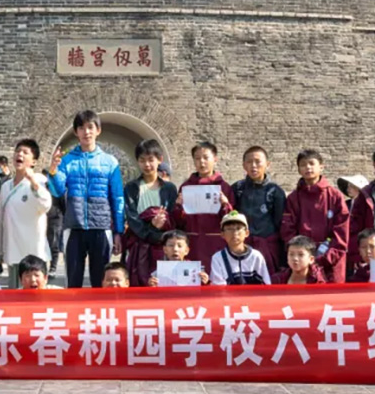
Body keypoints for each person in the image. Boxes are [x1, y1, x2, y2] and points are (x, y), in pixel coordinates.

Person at [46, 110, 125, 288]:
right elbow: (57, 191)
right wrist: (53, 171)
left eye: (90, 127)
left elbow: (118, 198)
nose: (86, 132)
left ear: (98, 130)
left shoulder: (110, 162)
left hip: (101, 227)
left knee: (101, 281)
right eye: (81, 128)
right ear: (76, 132)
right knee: (73, 282)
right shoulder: (67, 161)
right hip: (74, 227)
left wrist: (118, 231)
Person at [280, 149, 349, 283]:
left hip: (331, 259)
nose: (308, 167)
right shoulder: (294, 198)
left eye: (312, 163)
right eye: (303, 165)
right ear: (299, 170)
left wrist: (326, 257)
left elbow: (342, 232)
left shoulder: (335, 196)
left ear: (321, 167)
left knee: (331, 295)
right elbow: (288, 230)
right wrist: (301, 255)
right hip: (302, 262)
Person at [0, 140, 53, 288]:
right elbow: (1, 219)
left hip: (35, 255)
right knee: (15, 297)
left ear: (34, 161)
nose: (19, 154)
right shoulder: (5, 186)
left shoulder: (39, 180)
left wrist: (33, 182)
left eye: (25, 152)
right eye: (17, 151)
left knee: (36, 297)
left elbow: (46, 204)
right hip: (13, 251)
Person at [123, 140, 179, 289]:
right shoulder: (131, 188)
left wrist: (163, 235)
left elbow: (173, 216)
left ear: (160, 159)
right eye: (142, 160)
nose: (147, 164)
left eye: (150, 160)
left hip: (163, 245)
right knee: (139, 282)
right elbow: (132, 217)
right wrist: (152, 230)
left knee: (163, 284)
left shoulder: (169, 188)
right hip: (140, 243)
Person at [175, 142, 235, 273]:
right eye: (197, 158)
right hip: (192, 242)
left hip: (216, 242)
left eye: (206, 157)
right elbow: (179, 222)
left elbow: (232, 219)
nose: (201, 162)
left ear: (215, 159)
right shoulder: (186, 187)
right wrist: (178, 206)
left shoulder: (224, 187)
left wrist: (226, 204)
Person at [231, 146, 287, 275]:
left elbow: (280, 223)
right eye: (249, 162)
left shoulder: (275, 191)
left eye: (258, 161)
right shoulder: (237, 188)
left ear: (267, 164)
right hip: (242, 245)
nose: (253, 166)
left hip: (267, 245)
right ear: (244, 165)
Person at [210, 211, 270, 286]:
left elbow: (265, 285)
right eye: (229, 229)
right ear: (222, 234)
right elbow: (219, 288)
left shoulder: (256, 257)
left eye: (238, 228)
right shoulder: (218, 258)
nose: (235, 233)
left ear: (247, 233)